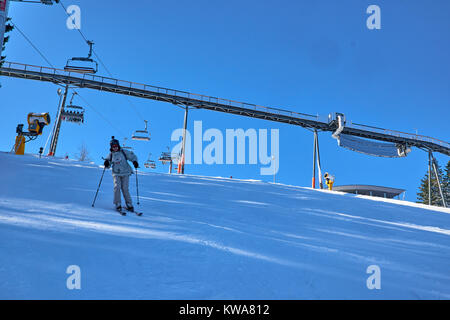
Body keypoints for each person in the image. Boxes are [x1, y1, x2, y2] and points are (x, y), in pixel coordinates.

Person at [103, 136, 139, 212]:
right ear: (111, 147)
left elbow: (132, 156)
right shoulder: (111, 155)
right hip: (116, 173)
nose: (115, 148)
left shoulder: (123, 152)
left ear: (118, 145)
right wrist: (106, 163)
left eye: (116, 146)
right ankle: (118, 203)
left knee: (125, 188)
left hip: (126, 172)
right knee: (117, 187)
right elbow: (108, 164)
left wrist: (134, 161)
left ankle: (129, 204)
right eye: (113, 147)